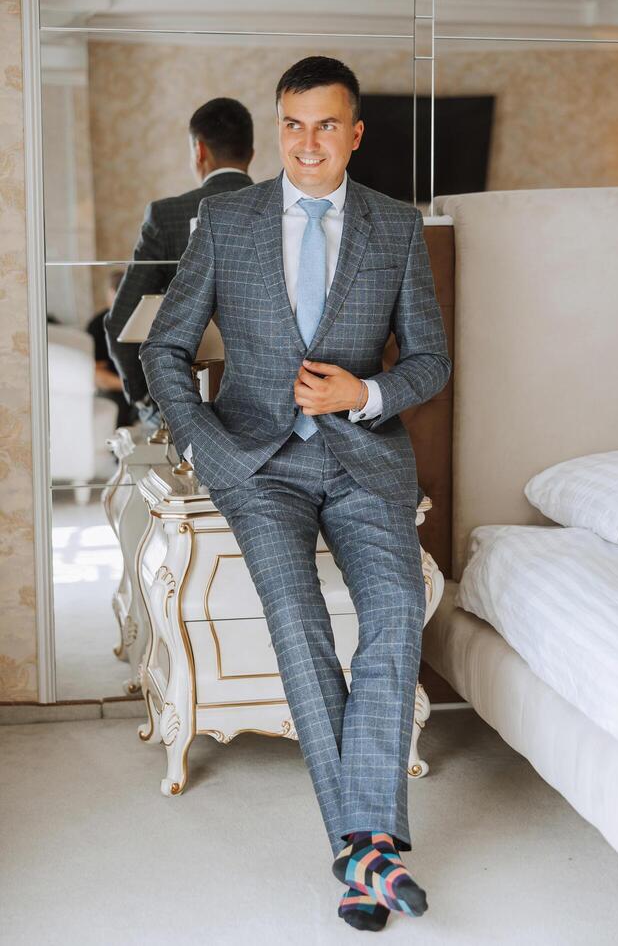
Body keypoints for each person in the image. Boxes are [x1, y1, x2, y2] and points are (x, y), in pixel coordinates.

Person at [139, 56, 451, 933]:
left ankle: (363, 854)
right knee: (298, 619)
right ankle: (371, 847)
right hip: (256, 462)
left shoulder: (395, 226)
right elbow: (164, 348)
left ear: (354, 133)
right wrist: (208, 448)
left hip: (365, 461)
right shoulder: (226, 218)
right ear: (277, 129)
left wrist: (365, 395)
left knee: (394, 613)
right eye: (292, 125)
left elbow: (430, 357)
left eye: (326, 126)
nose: (307, 143)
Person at [104, 97, 255, 414]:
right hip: (268, 403)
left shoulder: (167, 215)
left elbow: (121, 320)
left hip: (187, 399)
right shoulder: (283, 211)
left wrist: (147, 398)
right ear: (250, 155)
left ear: (199, 151)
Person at [86, 269, 136, 428]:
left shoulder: (142, 320)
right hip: (116, 391)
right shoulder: (98, 326)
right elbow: (97, 375)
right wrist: (131, 388)